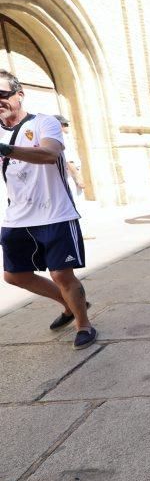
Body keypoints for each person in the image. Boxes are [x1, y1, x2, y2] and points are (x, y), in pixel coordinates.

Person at [0, 69, 97, 350]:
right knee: (14, 275)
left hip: (55, 214)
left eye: (3, 94)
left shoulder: (44, 123)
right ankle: (68, 305)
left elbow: (49, 153)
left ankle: (84, 324)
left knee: (61, 274)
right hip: (17, 217)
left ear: (20, 94)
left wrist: (5, 149)